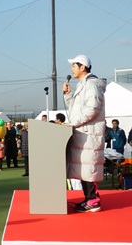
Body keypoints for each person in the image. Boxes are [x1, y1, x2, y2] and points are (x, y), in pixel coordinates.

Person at [63, 54, 106, 213]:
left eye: (74, 65)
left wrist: (73, 123)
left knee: (88, 169)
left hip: (88, 135)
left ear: (82, 67)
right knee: (85, 169)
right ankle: (90, 199)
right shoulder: (84, 85)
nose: (71, 69)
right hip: (84, 134)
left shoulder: (91, 85)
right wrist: (68, 95)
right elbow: (75, 110)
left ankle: (93, 201)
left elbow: (92, 109)